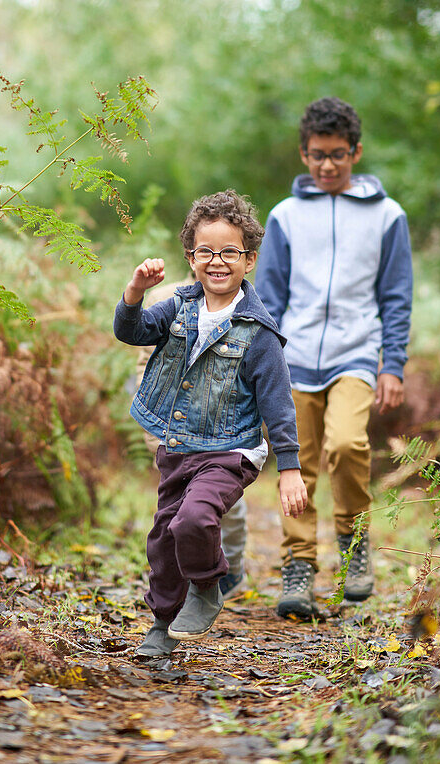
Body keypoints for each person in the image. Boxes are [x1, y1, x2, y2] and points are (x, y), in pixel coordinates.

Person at [114, 190, 307, 658]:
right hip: (179, 445)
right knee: (163, 537)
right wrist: (136, 291)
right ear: (191, 257)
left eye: (229, 252)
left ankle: (207, 584)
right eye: (206, 251)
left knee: (194, 520)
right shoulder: (178, 306)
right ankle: (162, 623)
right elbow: (131, 331)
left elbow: (278, 403)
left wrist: (290, 467)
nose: (217, 262)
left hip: (231, 450)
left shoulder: (258, 333)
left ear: (249, 259)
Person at [254, 97, 412, 618]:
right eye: (318, 154)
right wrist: (261, 364)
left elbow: (395, 296)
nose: (327, 164)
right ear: (303, 153)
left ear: (356, 152)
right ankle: (298, 566)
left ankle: (353, 542)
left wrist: (393, 364)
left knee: (346, 444)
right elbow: (269, 299)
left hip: (356, 354)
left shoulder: (388, 217)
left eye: (338, 154)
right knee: (296, 462)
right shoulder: (285, 216)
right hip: (292, 357)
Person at [135, 279, 249, 601]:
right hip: (175, 429)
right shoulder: (167, 300)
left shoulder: (243, 303)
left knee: (230, 507)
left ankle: (232, 569)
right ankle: (186, 582)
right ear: (191, 253)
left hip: (223, 430)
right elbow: (146, 365)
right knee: (176, 511)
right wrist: (154, 431)